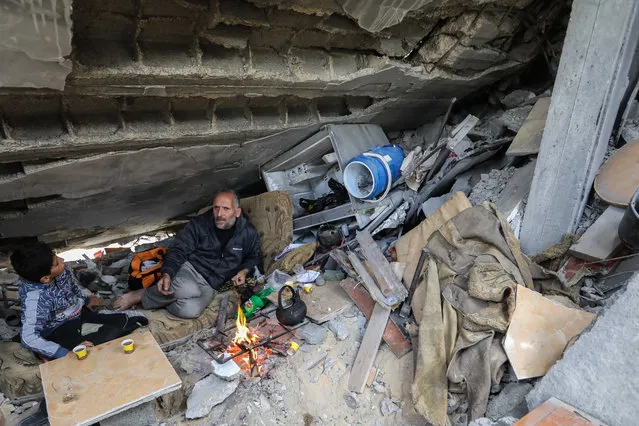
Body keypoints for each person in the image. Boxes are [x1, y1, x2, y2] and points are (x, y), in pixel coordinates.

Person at [114, 190, 262, 318]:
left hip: (213, 283)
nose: (219, 214)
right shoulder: (200, 224)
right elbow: (178, 249)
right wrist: (167, 274)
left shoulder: (248, 233)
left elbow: (254, 256)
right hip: (191, 270)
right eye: (216, 208)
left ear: (237, 212)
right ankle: (139, 295)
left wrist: (243, 271)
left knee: (190, 311)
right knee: (188, 289)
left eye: (226, 209)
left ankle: (161, 299)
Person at [11, 242, 147, 360]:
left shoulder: (61, 271)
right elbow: (28, 337)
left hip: (78, 315)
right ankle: (49, 352)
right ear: (45, 278)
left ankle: (112, 330)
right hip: (57, 329)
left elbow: (72, 288)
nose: (62, 259)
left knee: (122, 320)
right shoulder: (35, 299)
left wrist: (85, 300)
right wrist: (63, 353)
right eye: (57, 262)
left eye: (57, 255)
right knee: (100, 339)